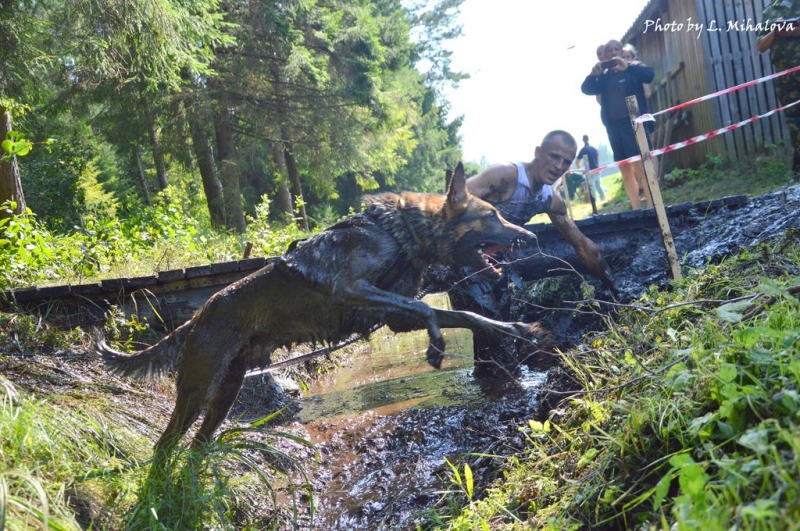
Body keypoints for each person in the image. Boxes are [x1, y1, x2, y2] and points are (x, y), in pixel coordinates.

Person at [442, 130, 616, 376]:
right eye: (554, 157)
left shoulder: (549, 200)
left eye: (566, 162)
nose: (559, 166)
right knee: (494, 332)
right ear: (538, 153)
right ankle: (499, 389)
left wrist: (612, 285)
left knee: (495, 341)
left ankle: (491, 389)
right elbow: (448, 204)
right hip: (460, 261)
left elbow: (582, 246)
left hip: (492, 265)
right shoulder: (505, 176)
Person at [581, 40, 655, 210]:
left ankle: (652, 205)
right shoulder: (603, 76)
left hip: (634, 124)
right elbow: (586, 89)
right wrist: (594, 73)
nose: (613, 52)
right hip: (613, 128)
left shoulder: (633, 68)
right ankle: (636, 209)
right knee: (625, 170)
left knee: (642, 166)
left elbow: (650, 75)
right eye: (609, 50)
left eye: (616, 49)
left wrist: (628, 67)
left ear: (622, 51)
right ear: (605, 55)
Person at [757, 1, 800, 179]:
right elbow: (760, 45)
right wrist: (776, 31)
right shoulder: (769, 12)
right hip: (786, 80)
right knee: (794, 122)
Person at [575, 134, 605, 200]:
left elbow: (577, 162)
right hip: (597, 169)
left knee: (592, 187)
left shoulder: (583, 150)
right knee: (599, 185)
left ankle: (594, 201)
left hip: (589, 171)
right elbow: (598, 159)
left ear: (583, 140)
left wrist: (582, 170)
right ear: (588, 139)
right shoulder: (594, 149)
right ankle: (603, 198)